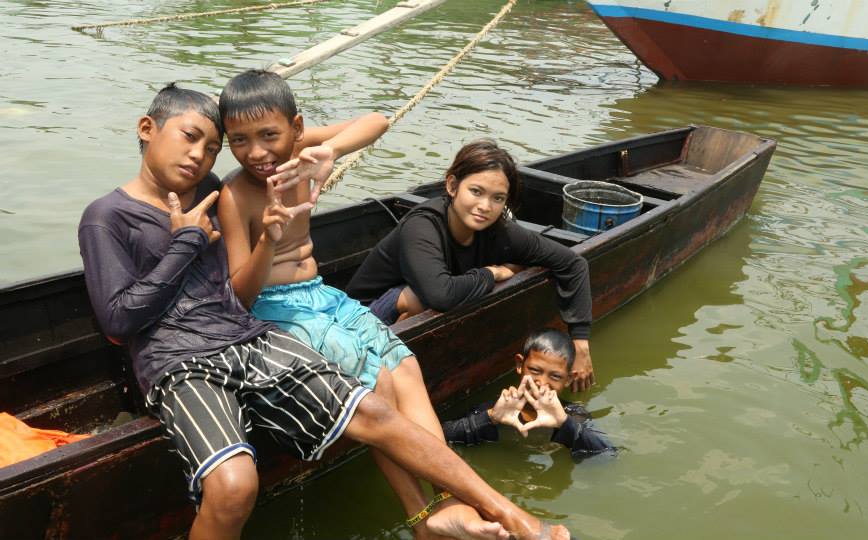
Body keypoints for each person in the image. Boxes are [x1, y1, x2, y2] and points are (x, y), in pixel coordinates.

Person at [77, 83, 570, 540]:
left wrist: (315, 163)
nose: (199, 155)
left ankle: (505, 512)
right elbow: (119, 321)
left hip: (245, 336)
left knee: (375, 405)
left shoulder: (210, 185)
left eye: (210, 146)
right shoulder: (108, 216)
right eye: (191, 138)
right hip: (179, 359)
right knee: (234, 485)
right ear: (147, 130)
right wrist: (187, 239)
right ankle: (433, 513)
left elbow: (345, 129)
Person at [215, 69, 492, 538]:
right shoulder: (235, 194)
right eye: (239, 140)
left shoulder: (304, 154)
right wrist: (269, 237)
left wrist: (332, 150)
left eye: (269, 135)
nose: (257, 152)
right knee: (378, 385)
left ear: (296, 128)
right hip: (274, 309)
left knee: (405, 366)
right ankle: (422, 516)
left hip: (320, 294)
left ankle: (453, 500)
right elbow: (239, 295)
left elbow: (378, 120)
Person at [346, 140, 596, 392]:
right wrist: (492, 273)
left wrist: (580, 343)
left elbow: (572, 263)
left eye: (498, 198)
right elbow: (441, 295)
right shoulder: (423, 226)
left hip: (421, 311)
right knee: (421, 297)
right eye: (476, 191)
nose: (485, 207)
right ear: (452, 185)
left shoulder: (499, 231)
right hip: (358, 319)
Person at [443, 329, 613, 456]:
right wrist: (490, 418)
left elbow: (608, 454)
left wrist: (564, 424)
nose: (542, 383)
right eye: (535, 370)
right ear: (519, 365)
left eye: (555, 376)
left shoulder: (572, 415)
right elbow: (439, 435)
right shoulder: (498, 408)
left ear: (569, 379)